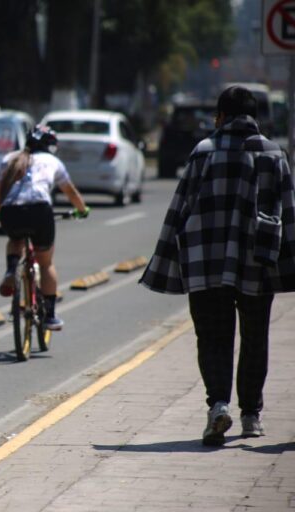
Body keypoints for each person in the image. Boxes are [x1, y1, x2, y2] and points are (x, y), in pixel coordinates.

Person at [140, 85, 295, 446]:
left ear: (221, 116)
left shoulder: (203, 153)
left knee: (213, 337)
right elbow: (289, 213)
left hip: (205, 262)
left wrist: (165, 263)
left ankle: (218, 407)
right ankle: (251, 415)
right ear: (255, 117)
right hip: (259, 262)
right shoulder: (275, 154)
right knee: (255, 337)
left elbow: (178, 210)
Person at [0, 124, 88, 331]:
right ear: (50, 146)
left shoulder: (9, 159)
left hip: (11, 212)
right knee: (45, 263)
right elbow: (70, 192)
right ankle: (50, 315)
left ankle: (11, 269)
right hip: (39, 211)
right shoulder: (52, 161)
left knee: (15, 239)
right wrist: (82, 209)